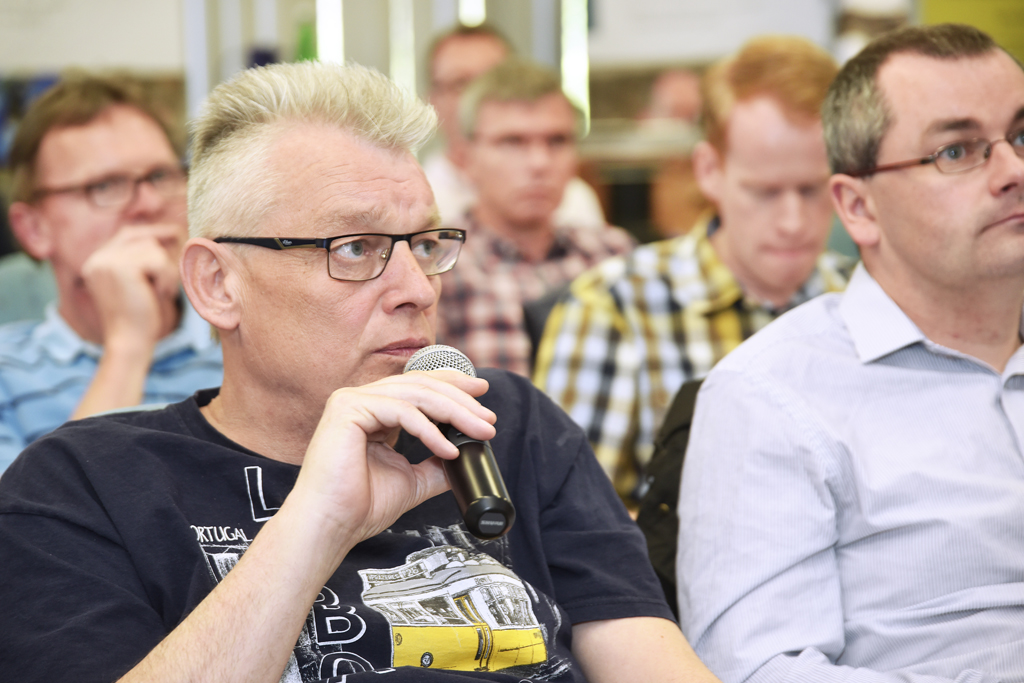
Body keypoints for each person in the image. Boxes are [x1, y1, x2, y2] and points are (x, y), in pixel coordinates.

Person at [0, 61, 720, 683]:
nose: (417, 289)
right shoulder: (84, 485)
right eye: (355, 247)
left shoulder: (504, 423)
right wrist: (318, 520)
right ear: (218, 284)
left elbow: (649, 661)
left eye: (426, 244)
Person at [677, 24, 1024, 682]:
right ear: (858, 207)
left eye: (1023, 136)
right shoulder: (771, 395)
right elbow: (760, 671)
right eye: (956, 151)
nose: (1013, 171)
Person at [534, 36, 850, 498]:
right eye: (764, 191)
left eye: (813, 189)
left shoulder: (863, 300)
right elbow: (567, 521)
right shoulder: (614, 308)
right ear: (708, 170)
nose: (793, 222)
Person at [0, 74, 223, 471]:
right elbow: (34, 513)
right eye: (105, 185)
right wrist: (128, 343)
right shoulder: (6, 370)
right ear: (34, 229)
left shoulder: (250, 345)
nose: (148, 203)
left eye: (160, 176)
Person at [436, 59, 634, 376]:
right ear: (465, 157)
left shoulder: (614, 254)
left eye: (557, 141)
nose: (540, 163)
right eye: (513, 142)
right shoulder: (439, 264)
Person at [422, 24, 605, 229]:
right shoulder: (418, 202)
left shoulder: (573, 199)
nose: (479, 95)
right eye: (460, 83)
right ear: (432, 99)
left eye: (496, 79)